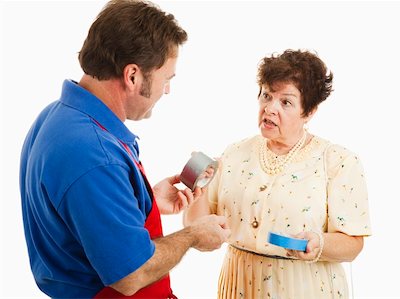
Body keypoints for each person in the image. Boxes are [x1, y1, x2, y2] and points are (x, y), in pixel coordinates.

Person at [19, 1, 230, 298]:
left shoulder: (58, 116)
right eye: (165, 79)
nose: (166, 90)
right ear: (133, 76)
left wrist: (146, 203)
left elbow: (85, 217)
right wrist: (193, 235)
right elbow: (130, 275)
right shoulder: (94, 154)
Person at [184, 49, 372, 299]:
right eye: (266, 96)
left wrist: (320, 243)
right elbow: (196, 231)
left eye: (286, 102)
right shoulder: (234, 154)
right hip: (237, 286)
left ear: (310, 111)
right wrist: (200, 186)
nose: (270, 109)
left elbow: (354, 245)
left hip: (305, 288)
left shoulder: (338, 162)